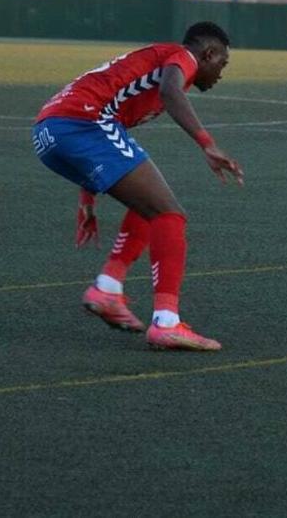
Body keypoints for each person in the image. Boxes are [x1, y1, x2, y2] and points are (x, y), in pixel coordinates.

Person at [32, 22, 244, 351]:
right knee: (170, 214)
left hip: (50, 132)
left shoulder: (155, 61)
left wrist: (87, 194)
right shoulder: (182, 57)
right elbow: (170, 91)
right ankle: (167, 323)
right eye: (222, 64)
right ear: (209, 54)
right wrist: (207, 144)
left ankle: (108, 287)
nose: (220, 73)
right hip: (83, 123)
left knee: (149, 208)